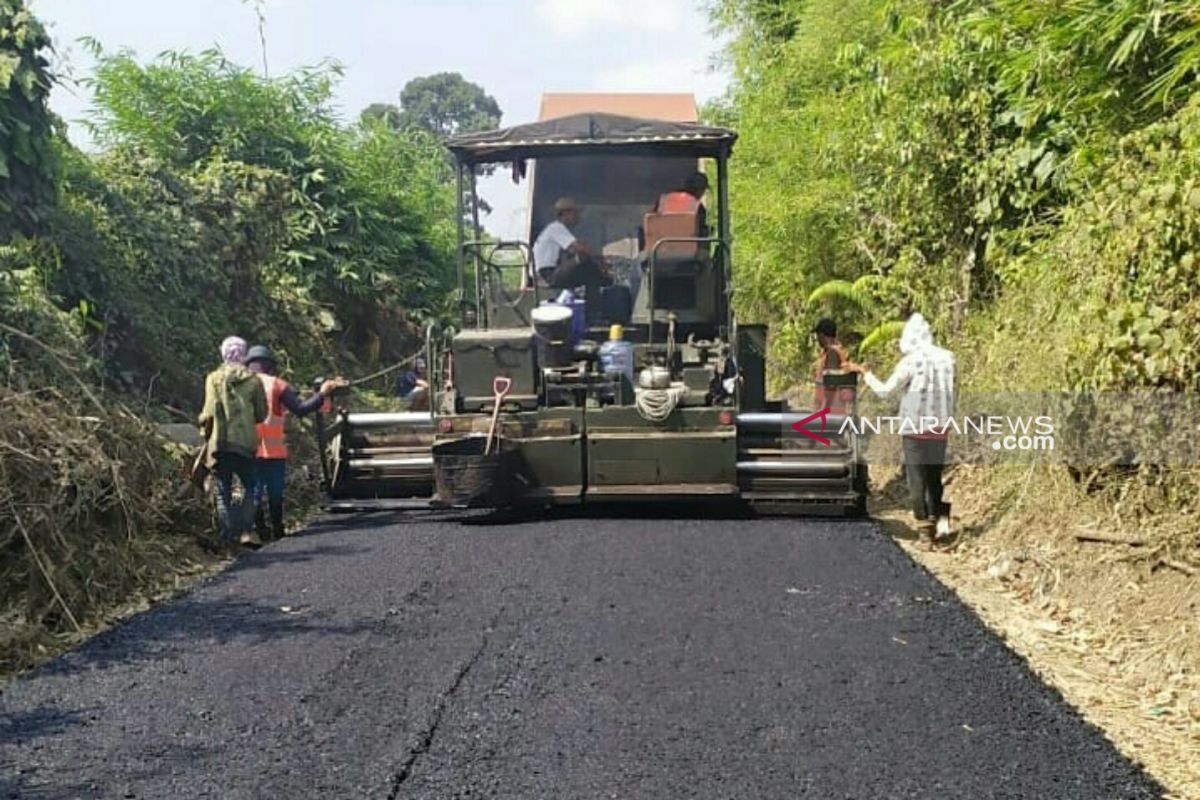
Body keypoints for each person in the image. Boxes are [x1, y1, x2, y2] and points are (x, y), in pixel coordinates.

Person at [845, 313, 956, 543]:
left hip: (914, 426)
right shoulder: (948, 358)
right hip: (941, 424)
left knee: (917, 477)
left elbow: (886, 391)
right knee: (934, 476)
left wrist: (865, 373)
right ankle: (938, 523)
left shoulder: (911, 361)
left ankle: (925, 529)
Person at [244, 345, 345, 543]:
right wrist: (322, 393)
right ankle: (278, 531)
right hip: (272, 449)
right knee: (274, 492)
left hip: (248, 447)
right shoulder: (277, 385)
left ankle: (260, 532)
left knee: (253, 491)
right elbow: (300, 408)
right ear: (271, 366)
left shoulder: (240, 385)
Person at [198, 336, 267, 550]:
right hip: (246, 443)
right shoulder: (254, 381)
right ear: (244, 355)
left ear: (223, 354)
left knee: (222, 488)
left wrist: (203, 428)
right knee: (251, 485)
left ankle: (228, 536)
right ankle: (247, 530)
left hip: (221, 443)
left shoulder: (213, 379)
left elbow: (208, 413)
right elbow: (261, 414)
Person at [532, 197, 631, 324]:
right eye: (575, 213)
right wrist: (600, 262)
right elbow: (581, 248)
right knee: (590, 271)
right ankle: (593, 314)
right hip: (547, 275)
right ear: (566, 213)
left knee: (585, 263)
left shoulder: (556, 230)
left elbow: (576, 253)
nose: (577, 217)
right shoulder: (556, 228)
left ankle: (591, 306)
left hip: (549, 273)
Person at [811, 318, 855, 414]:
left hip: (831, 411)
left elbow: (831, 384)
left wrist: (823, 410)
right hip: (834, 409)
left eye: (818, 335)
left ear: (822, 335)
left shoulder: (832, 353)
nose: (818, 339)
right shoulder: (834, 351)